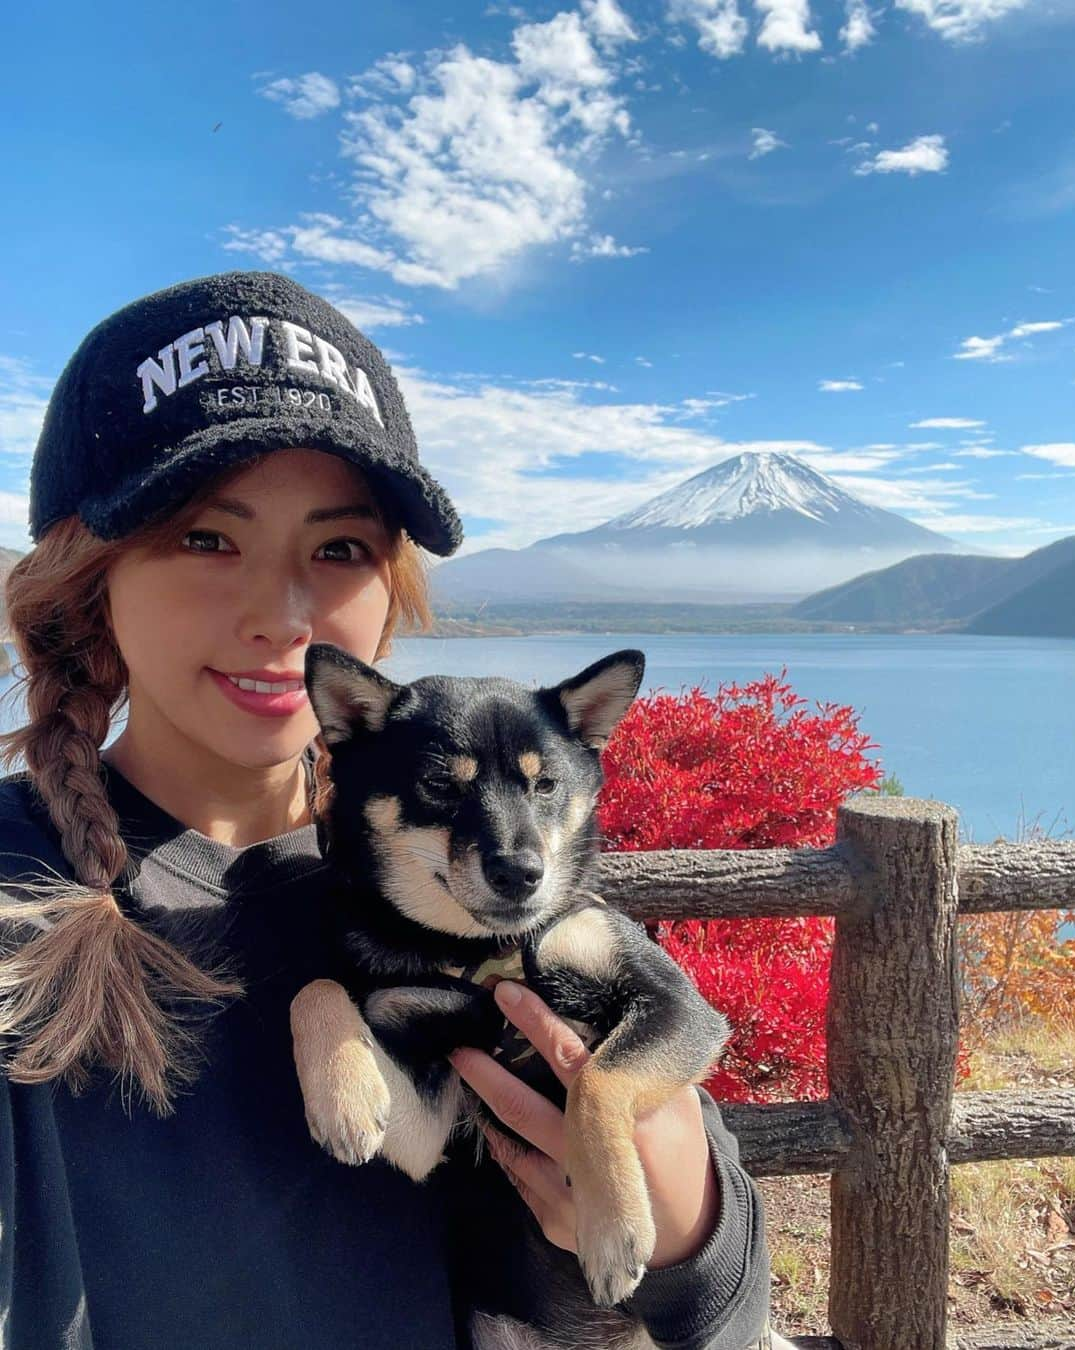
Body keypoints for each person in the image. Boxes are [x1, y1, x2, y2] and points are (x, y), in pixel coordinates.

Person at [0, 271, 775, 1349]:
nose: (281, 613)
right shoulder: (18, 900)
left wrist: (688, 1233)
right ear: (91, 574)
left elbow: (728, 1304)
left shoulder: (473, 886)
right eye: (206, 538)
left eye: (340, 549)